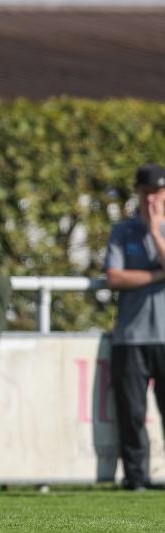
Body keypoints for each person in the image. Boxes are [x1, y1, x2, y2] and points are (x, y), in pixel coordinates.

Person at [104, 163, 165, 491]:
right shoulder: (122, 231)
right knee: (131, 414)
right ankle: (136, 478)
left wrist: (155, 231)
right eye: (146, 193)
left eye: (157, 192)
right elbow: (114, 277)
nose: (152, 199)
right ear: (137, 193)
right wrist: (156, 277)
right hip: (130, 336)